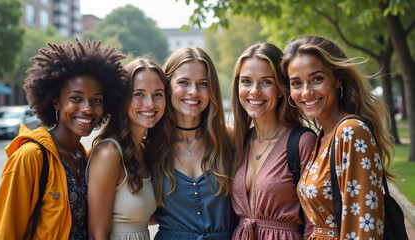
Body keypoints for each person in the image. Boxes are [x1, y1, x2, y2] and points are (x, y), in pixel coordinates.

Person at [0, 39, 127, 239]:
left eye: (96, 100)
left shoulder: (84, 158)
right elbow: (5, 232)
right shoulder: (31, 157)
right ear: (56, 102)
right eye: (76, 98)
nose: (87, 108)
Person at [281, 36, 394, 239]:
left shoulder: (351, 132)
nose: (306, 92)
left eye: (316, 79)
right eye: (297, 83)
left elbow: (364, 227)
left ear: (338, 78)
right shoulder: (323, 137)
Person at [147, 46, 236, 240]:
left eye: (202, 84)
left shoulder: (230, 139)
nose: (193, 92)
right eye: (184, 83)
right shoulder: (150, 147)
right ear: (168, 87)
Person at [230, 42, 316, 240]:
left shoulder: (302, 142)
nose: (254, 91)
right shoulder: (238, 141)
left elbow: (314, 222)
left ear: (280, 88)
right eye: (246, 81)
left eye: (266, 82)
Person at [86, 57, 168, 239]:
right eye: (139, 94)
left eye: (158, 94)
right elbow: (95, 235)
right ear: (122, 99)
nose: (150, 104)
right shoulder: (109, 153)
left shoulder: (143, 151)